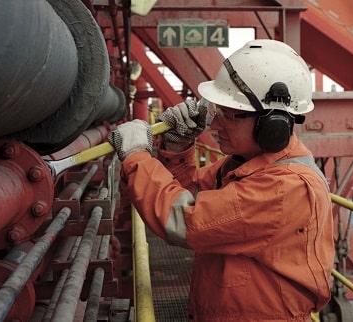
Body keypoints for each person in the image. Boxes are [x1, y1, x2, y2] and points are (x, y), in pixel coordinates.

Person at [108, 39, 334, 322]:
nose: (214, 124)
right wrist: (178, 149)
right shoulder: (246, 166)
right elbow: (192, 195)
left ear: (272, 126)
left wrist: (136, 157)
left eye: (227, 115)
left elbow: (186, 219)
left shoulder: (284, 188)